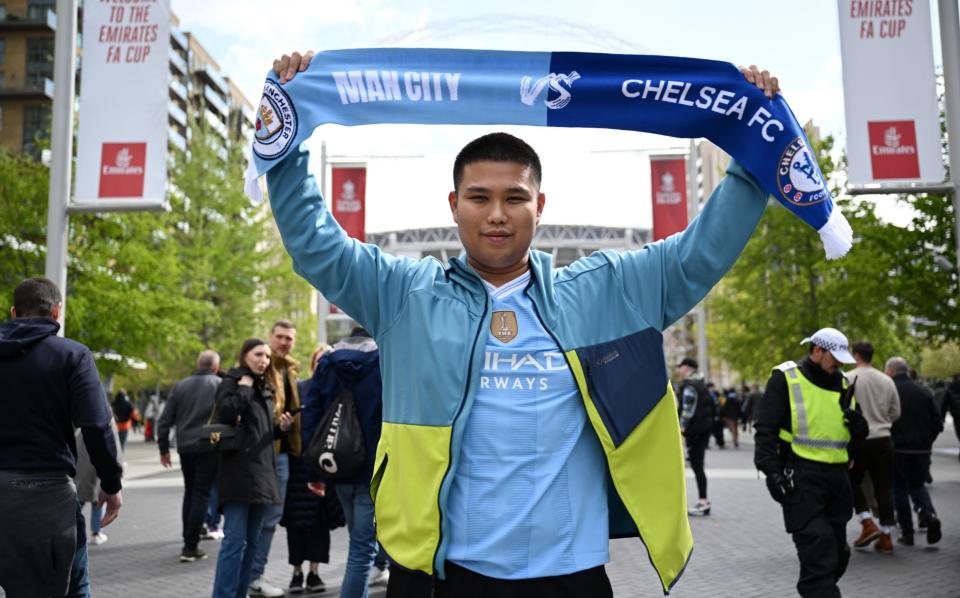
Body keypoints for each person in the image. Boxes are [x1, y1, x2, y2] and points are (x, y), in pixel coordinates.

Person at [269, 51, 778, 596]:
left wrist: (753, 150)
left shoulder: (606, 289)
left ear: (540, 205)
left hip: (572, 573)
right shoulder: (404, 294)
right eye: (479, 197)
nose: (496, 214)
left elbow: (701, 253)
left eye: (514, 198)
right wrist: (288, 129)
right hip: (440, 571)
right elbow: (315, 243)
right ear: (454, 204)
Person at [0, 277, 123, 598]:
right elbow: (97, 425)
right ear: (57, 312)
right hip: (50, 497)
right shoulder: (73, 355)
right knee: (74, 585)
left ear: (13, 312)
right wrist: (110, 484)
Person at [754, 327, 867, 598]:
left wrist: (859, 430)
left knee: (837, 555)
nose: (839, 363)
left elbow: (845, 432)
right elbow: (765, 429)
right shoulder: (787, 378)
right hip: (802, 478)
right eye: (834, 357)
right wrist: (772, 473)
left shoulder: (842, 383)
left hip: (838, 481)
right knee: (818, 551)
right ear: (817, 351)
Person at [302, 327, 383, 598]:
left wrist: (315, 471)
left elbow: (311, 413)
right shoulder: (383, 359)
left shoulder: (327, 361)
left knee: (357, 543)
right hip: (372, 467)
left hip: (337, 465)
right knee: (362, 549)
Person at [211, 339, 295, 598]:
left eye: (267, 357)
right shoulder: (232, 381)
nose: (264, 361)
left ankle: (240, 593)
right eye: (258, 355)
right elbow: (225, 413)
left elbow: (259, 433)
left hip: (263, 474)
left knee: (252, 543)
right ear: (245, 355)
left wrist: (280, 429)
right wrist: (245, 389)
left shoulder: (265, 387)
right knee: (234, 543)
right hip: (238, 474)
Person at [248, 320, 302, 598]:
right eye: (280, 337)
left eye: (289, 338)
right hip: (260, 453)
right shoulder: (259, 367)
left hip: (281, 451)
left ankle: (254, 576)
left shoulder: (289, 368)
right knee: (256, 518)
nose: (284, 342)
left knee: (270, 517)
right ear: (270, 337)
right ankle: (251, 576)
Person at [157, 350, 223, 562]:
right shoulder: (220, 385)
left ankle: (188, 539)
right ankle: (191, 545)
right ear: (214, 367)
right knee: (202, 493)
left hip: (185, 447)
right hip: (210, 446)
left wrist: (164, 449)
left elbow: (164, 420)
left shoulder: (180, 386)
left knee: (190, 491)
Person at [282, 343, 334, 594]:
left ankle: (314, 573)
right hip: (298, 463)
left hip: (324, 464)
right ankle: (296, 571)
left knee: (319, 523)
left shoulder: (337, 391)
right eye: (320, 360)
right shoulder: (299, 389)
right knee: (296, 522)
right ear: (313, 363)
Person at [844, 341, 901, 553]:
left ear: (856, 356)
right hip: (883, 438)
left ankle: (867, 521)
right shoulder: (886, 380)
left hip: (859, 439)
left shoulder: (849, 378)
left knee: (850, 479)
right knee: (884, 487)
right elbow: (896, 412)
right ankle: (886, 536)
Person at [887, 357, 943, 546]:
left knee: (900, 490)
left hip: (898, 448)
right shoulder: (923, 391)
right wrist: (927, 440)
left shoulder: (890, 390)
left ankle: (907, 532)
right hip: (921, 449)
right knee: (918, 486)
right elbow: (937, 422)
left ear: (891, 371)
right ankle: (929, 514)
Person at [677, 357, 715, 516]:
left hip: (695, 431)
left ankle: (703, 502)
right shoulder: (701, 383)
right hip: (703, 430)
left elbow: (688, 409)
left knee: (697, 466)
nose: (679, 370)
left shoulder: (690, 386)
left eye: (681, 367)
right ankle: (703, 500)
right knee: (698, 466)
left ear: (686, 368)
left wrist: (682, 427)